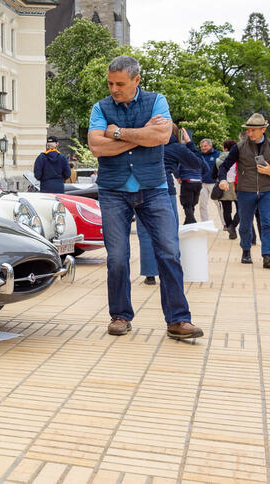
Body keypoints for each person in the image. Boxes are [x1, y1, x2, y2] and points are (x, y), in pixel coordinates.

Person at [88, 54, 202, 340]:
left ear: (136, 80)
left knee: (169, 252)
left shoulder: (157, 101)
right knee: (117, 257)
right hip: (113, 190)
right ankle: (120, 316)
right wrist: (141, 136)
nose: (114, 89)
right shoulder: (100, 108)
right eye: (111, 83)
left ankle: (178, 320)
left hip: (154, 189)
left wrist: (118, 134)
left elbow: (162, 137)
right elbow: (96, 146)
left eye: (120, 84)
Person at [135, 125, 204, 285]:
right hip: (165, 191)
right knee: (169, 234)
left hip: (141, 189)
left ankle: (150, 274)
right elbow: (197, 163)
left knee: (145, 233)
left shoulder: (143, 143)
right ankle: (171, 273)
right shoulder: (175, 147)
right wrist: (189, 143)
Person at [217, 113, 270, 268]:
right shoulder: (239, 147)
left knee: (268, 223)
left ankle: (268, 256)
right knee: (246, 224)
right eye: (248, 130)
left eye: (253, 130)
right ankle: (246, 251)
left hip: (268, 190)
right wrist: (222, 179)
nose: (249, 133)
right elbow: (224, 166)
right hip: (245, 191)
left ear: (263, 129)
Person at [215, 140, 240, 239]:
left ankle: (231, 231)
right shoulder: (239, 158)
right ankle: (232, 226)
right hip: (236, 185)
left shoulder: (218, 160)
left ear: (225, 148)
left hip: (223, 185)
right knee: (241, 209)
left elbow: (214, 174)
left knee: (226, 210)